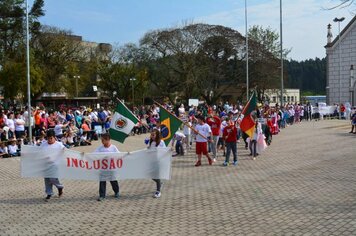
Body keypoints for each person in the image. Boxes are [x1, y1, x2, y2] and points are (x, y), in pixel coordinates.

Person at [94, 133, 120, 201]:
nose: (102, 142)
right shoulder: (100, 148)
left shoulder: (113, 147)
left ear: (108, 140)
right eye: (101, 140)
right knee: (102, 181)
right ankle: (102, 195)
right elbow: (93, 155)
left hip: (111, 168)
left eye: (103, 140)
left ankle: (116, 192)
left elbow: (119, 155)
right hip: (103, 168)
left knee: (113, 180)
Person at [41, 130, 65, 201]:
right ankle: (49, 193)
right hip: (46, 165)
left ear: (54, 137)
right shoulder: (43, 144)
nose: (50, 140)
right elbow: (39, 152)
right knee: (47, 180)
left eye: (51, 138)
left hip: (55, 164)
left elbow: (65, 151)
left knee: (53, 178)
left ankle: (60, 187)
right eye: (48, 138)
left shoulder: (59, 145)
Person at [147, 129, 166, 198]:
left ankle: (158, 191)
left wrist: (170, 150)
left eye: (153, 135)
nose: (152, 136)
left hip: (158, 162)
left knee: (156, 176)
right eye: (151, 135)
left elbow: (165, 150)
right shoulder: (151, 142)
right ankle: (159, 182)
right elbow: (148, 150)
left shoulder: (161, 142)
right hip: (151, 161)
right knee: (150, 175)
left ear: (157, 135)